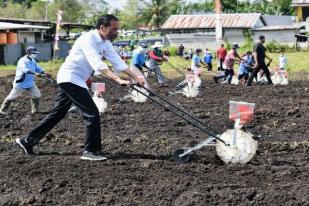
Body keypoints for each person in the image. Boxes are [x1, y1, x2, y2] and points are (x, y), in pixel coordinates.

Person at [15, 14, 145, 161]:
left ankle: (27, 141)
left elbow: (118, 62)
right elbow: (98, 65)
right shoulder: (87, 39)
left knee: (58, 113)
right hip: (70, 79)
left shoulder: (105, 42)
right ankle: (90, 151)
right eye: (113, 29)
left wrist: (136, 77)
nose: (116, 32)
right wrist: (117, 79)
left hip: (77, 80)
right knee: (92, 113)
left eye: (117, 29)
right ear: (102, 27)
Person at [0, 46, 48, 115]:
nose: (35, 54)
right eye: (33, 53)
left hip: (29, 83)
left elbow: (38, 68)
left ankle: (35, 111)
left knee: (37, 95)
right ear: (28, 53)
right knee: (12, 96)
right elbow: (25, 70)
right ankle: (2, 110)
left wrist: (44, 72)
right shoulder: (22, 61)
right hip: (20, 83)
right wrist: (35, 73)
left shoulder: (33, 61)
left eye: (35, 53)